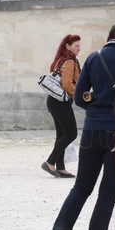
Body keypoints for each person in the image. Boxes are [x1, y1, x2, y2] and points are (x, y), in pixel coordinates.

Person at [41, 17, 115, 230]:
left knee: (80, 188)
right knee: (107, 196)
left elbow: (79, 97)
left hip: (92, 130)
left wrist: (96, 106)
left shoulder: (93, 57)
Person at [41, 34, 81, 178]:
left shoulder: (61, 59)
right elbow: (67, 84)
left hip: (54, 101)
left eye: (79, 46)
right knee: (71, 133)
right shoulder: (69, 61)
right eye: (76, 46)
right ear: (68, 46)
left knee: (62, 134)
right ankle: (50, 162)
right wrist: (80, 95)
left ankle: (61, 167)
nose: (79, 48)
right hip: (60, 102)